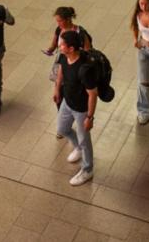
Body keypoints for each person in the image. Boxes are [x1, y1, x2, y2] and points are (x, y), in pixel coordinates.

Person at [52, 29, 97, 187]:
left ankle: (87, 169)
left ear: (71, 48)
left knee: (85, 140)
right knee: (62, 129)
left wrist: (89, 118)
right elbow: (61, 72)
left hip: (81, 109)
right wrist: (57, 89)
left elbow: (93, 94)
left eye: (62, 44)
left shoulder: (85, 69)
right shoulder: (64, 57)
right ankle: (77, 147)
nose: (60, 46)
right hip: (67, 102)